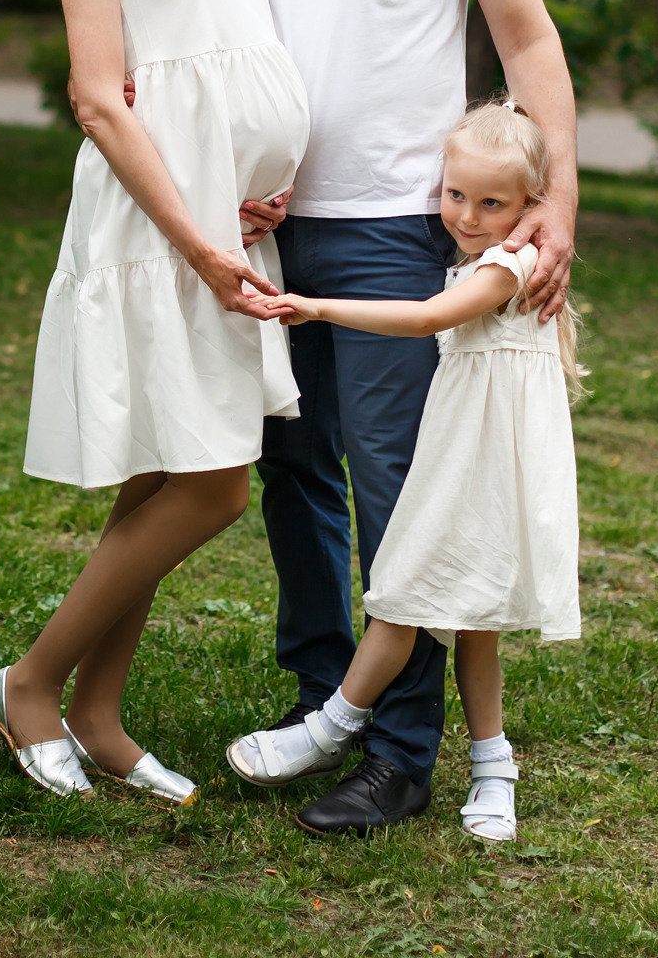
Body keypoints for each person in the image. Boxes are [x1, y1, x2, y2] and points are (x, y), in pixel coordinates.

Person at [213, 0, 580, 835]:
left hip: (394, 224)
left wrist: (554, 201)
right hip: (268, 225)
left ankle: (401, 753)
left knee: (400, 492)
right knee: (291, 474)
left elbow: (525, 38)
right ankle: (329, 693)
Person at [0, 0, 310, 802]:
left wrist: (264, 182)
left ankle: (101, 717)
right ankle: (27, 684)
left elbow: (227, 56)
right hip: (161, 223)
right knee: (213, 485)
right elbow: (102, 100)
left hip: (227, 221)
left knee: (170, 465)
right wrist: (205, 235)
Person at [226, 103, 584, 842]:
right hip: (461, 457)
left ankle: (331, 727)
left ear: (531, 205)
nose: (469, 216)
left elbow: (426, 321)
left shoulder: (506, 264)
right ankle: (493, 768)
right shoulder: (476, 258)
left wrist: (316, 307)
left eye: (494, 203)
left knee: (401, 597)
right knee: (459, 619)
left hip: (475, 469)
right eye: (456, 195)